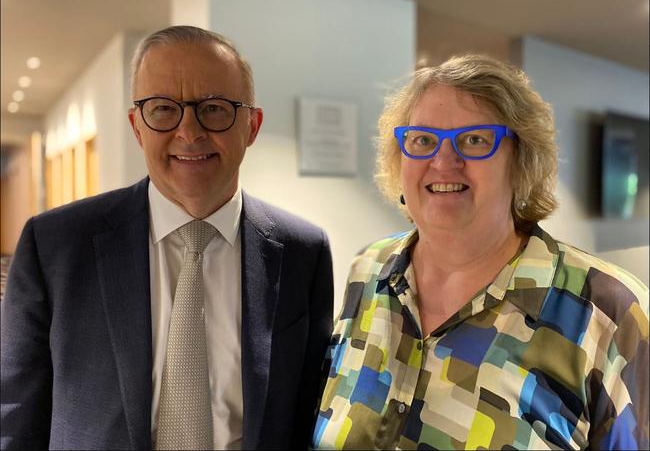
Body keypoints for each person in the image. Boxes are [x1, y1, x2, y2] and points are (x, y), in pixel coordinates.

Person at [1, 25, 333, 450]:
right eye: (162, 109)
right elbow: (15, 418)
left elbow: (308, 410)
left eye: (214, 108)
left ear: (252, 125)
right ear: (137, 126)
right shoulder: (54, 246)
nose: (189, 131)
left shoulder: (304, 252)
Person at [312, 55, 648, 450]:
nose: (443, 162)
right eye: (422, 140)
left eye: (475, 140)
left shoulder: (608, 310)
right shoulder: (369, 270)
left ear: (521, 162)